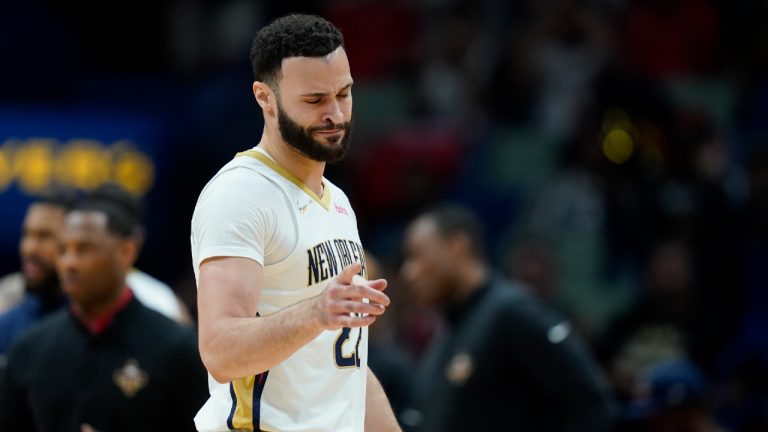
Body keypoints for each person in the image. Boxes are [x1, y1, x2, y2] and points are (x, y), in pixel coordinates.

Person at [190, 14, 398, 432]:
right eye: (315, 100)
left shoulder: (336, 201)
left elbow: (344, 369)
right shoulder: (240, 195)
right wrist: (317, 313)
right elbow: (220, 352)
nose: (336, 113)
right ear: (265, 97)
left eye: (344, 93)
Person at [0, 189, 209, 431]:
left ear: (126, 251)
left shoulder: (177, 348)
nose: (69, 263)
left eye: (84, 249)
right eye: (63, 250)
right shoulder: (28, 349)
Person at [400, 205, 614, 432]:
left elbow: (592, 404)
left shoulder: (511, 312)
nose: (408, 272)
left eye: (417, 255)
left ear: (458, 247)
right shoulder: (447, 331)